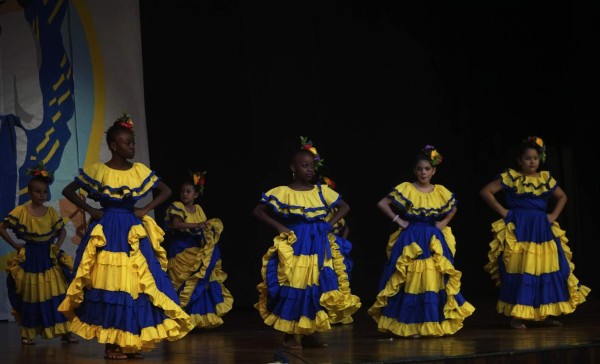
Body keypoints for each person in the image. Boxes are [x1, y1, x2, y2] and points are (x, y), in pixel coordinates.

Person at [57, 113, 194, 360]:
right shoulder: (100, 171)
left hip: (131, 227)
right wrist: (91, 210)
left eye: (132, 142)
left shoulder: (139, 170)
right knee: (110, 282)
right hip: (109, 228)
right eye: (126, 143)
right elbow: (69, 190)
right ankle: (112, 344)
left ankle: (129, 341)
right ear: (113, 145)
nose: (131, 147)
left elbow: (165, 190)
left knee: (135, 283)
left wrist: (143, 209)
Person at [253, 137, 361, 349]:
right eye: (304, 166)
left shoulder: (321, 191)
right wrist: (279, 227)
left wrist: (329, 224)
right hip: (297, 242)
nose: (309, 170)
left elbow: (344, 206)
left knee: (316, 285)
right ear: (293, 168)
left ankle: (310, 332)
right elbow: (258, 211)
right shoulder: (283, 192)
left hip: (318, 242)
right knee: (296, 283)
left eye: (312, 166)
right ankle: (290, 335)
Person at [480, 136, 590, 329]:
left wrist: (553, 215)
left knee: (545, 268)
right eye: (527, 158)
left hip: (542, 228)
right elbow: (486, 191)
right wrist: (504, 211)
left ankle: (545, 313)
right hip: (521, 227)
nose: (532, 161)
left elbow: (562, 196)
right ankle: (518, 315)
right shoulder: (512, 177)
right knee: (522, 268)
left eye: (535, 158)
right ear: (519, 160)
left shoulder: (545, 179)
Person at [368, 145, 475, 338]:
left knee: (432, 278)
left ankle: (431, 322)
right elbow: (383, 203)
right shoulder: (407, 188)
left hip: (433, 237)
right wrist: (399, 221)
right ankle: (411, 324)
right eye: (419, 169)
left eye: (427, 169)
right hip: (412, 238)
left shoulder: (440, 191)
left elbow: (453, 208)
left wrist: (442, 223)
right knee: (411, 278)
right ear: (414, 171)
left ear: (434, 170)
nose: (423, 173)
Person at [0, 163, 79, 345]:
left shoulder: (50, 212)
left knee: (56, 293)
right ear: (30, 192)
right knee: (32, 294)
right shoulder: (21, 212)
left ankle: (64, 331)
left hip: (48, 257)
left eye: (44, 192)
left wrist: (57, 246)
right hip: (31, 258)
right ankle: (28, 333)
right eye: (37, 191)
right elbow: (2, 227)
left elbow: (62, 231)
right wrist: (16, 245)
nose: (41, 195)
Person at [163, 171, 233, 329]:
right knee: (184, 280)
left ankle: (197, 320)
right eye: (182, 191)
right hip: (181, 250)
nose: (184, 194)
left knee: (200, 280)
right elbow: (176, 224)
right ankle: (180, 318)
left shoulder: (199, 209)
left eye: (188, 191)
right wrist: (197, 226)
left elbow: (204, 226)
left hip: (197, 250)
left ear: (195, 195)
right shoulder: (178, 206)